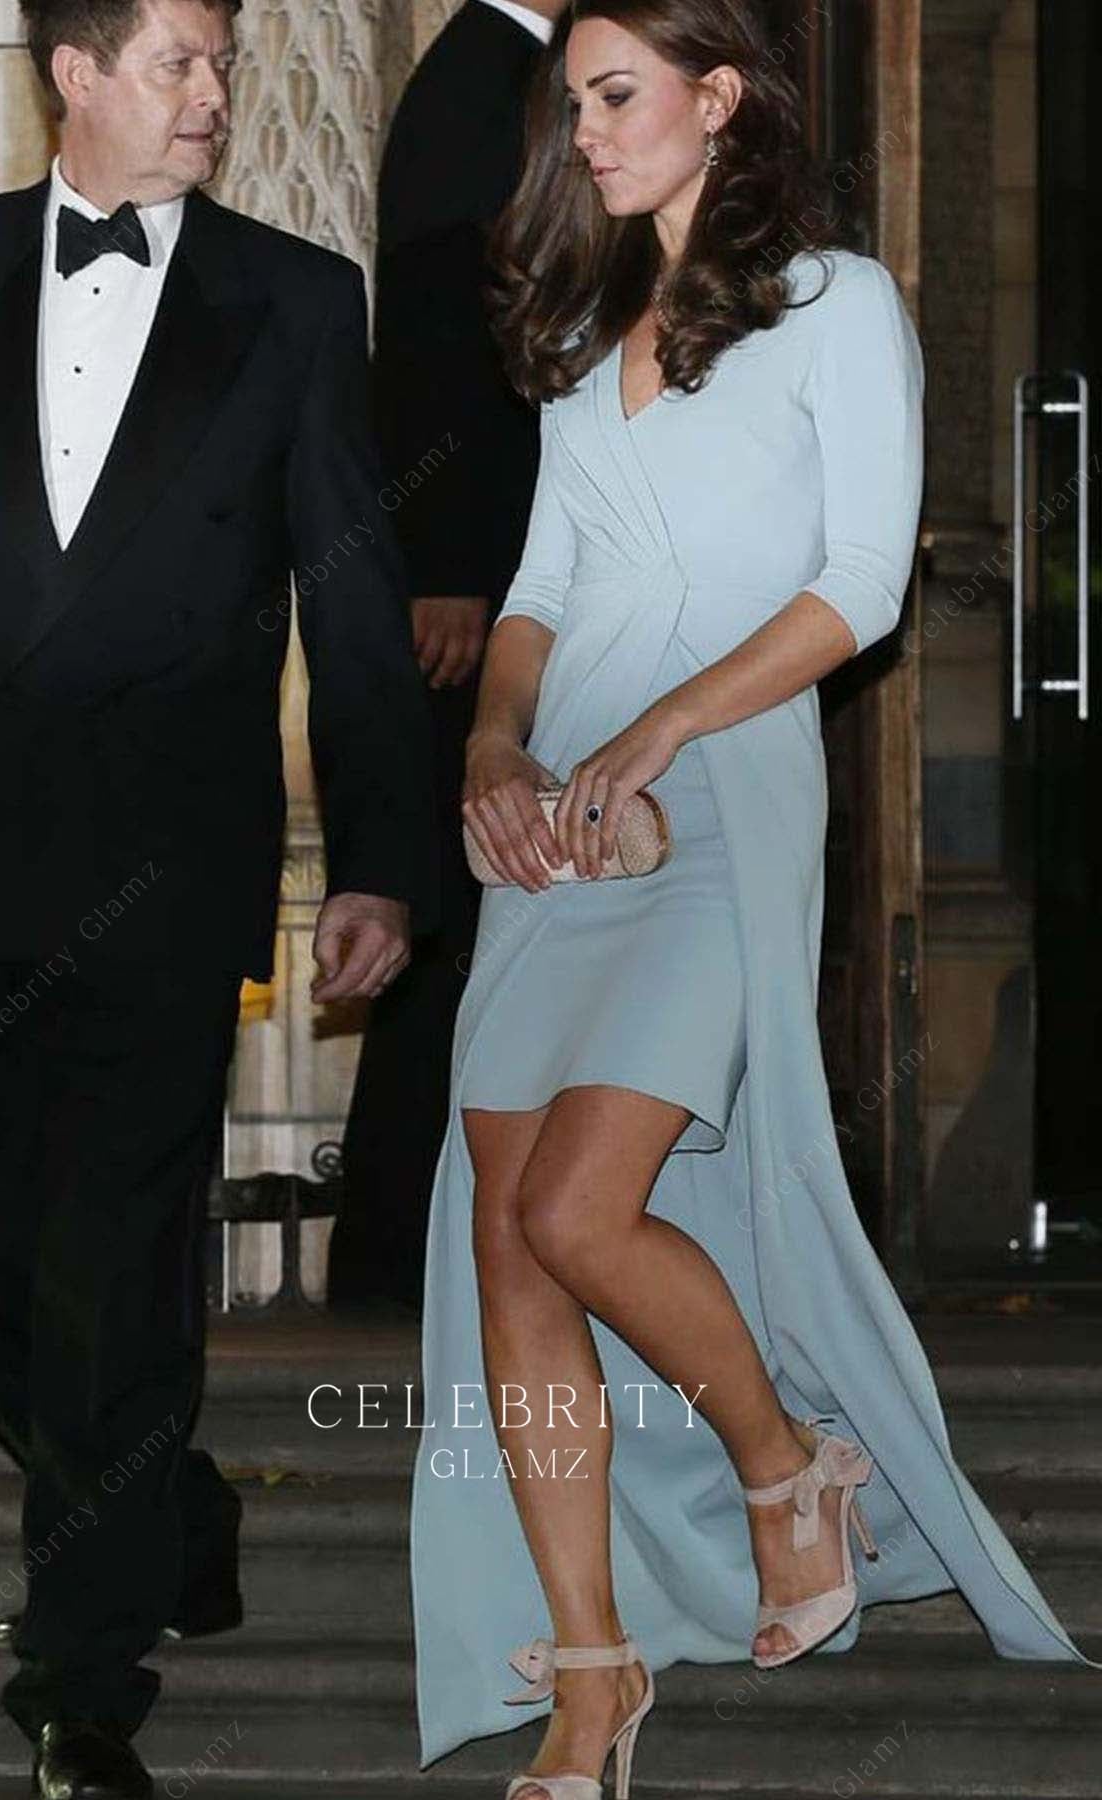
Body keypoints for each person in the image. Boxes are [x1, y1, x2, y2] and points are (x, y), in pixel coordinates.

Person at [408, 3, 1100, 1796]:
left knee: (579, 1206)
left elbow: (859, 586)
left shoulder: (837, 305)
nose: (585, 132)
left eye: (617, 95)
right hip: (560, 816)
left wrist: (661, 727)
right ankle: (590, 1674)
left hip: (718, 794)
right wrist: (494, 745)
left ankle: (787, 1467)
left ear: (718, 98)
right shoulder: (581, 332)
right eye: (572, 103)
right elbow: (539, 586)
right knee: (508, 1238)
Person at [0, 1, 437, 1795]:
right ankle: (169, 1503)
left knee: (119, 1263)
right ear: (74, 71)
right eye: (179, 63)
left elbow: (353, 596)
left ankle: (81, 1681)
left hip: (165, 869)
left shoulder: (294, 301)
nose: (215, 94)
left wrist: (380, 860)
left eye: (223, 63)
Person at [328, 0, 568, 1312]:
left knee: (486, 910)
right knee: (451, 906)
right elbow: (431, 334)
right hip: (475, 581)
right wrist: (450, 568)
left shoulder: (519, 66)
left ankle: (432, 1246)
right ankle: (391, 1251)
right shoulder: (483, 72)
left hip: (510, 569)